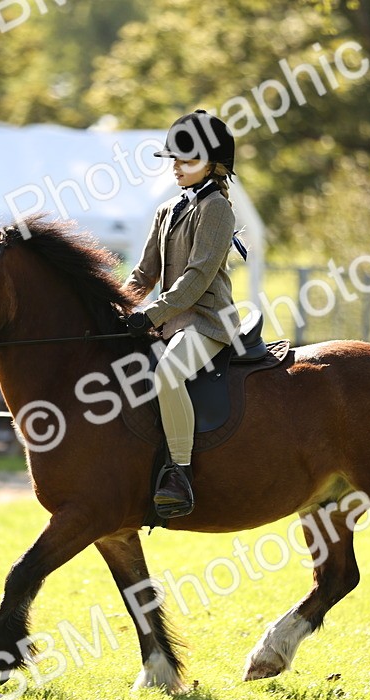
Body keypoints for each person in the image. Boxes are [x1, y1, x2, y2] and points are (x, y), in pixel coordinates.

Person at [124, 109, 240, 518]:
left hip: (208, 321)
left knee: (167, 374)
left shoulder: (217, 210)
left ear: (214, 165)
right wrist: (118, 306)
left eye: (187, 160)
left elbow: (196, 279)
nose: (176, 167)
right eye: (174, 159)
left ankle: (180, 471)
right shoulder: (167, 209)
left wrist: (150, 315)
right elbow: (144, 273)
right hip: (170, 321)